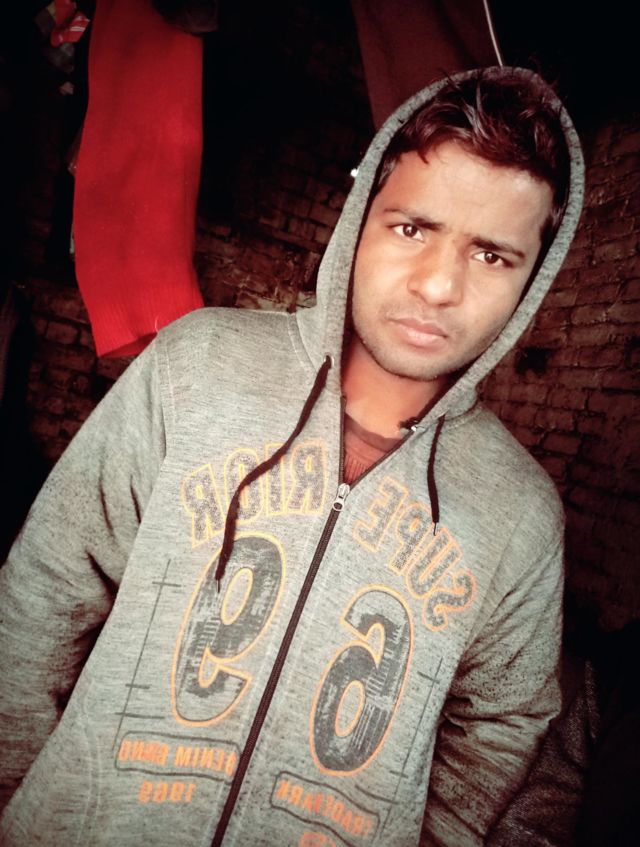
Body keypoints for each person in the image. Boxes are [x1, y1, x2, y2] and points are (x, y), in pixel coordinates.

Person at [0, 67, 584, 846]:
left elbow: (499, 732)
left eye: (492, 256)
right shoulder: (197, 365)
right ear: (359, 221)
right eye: (413, 228)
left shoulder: (520, 514)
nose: (440, 285)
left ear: (532, 281)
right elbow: (48, 588)